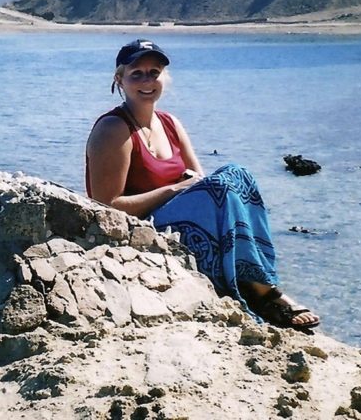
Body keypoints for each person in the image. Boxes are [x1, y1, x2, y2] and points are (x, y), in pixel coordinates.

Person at [85, 39, 320, 330]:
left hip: (177, 218)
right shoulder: (113, 129)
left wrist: (187, 188)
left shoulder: (170, 123)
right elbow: (105, 206)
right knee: (219, 188)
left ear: (164, 78)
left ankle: (257, 280)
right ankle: (262, 294)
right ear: (120, 79)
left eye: (154, 72)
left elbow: (201, 180)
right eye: (137, 74)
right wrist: (172, 190)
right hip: (142, 229)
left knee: (237, 174)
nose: (147, 81)